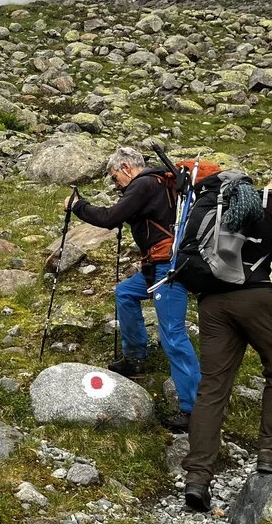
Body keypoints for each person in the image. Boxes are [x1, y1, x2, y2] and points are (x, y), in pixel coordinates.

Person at [181, 168, 272, 513]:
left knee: (213, 386)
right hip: (254, 296)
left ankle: (197, 478)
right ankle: (271, 454)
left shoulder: (232, 198)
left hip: (212, 301)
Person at [66, 146, 201, 431]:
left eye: (115, 178)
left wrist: (77, 206)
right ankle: (135, 358)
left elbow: (109, 218)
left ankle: (195, 410)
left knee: (173, 335)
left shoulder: (143, 184)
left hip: (168, 267)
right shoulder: (161, 181)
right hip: (158, 265)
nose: (116, 185)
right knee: (125, 293)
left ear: (126, 167)